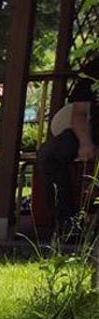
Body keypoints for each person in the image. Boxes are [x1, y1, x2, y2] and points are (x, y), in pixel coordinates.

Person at [37, 57, 98, 235]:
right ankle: (69, 224)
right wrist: (85, 141)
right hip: (92, 132)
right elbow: (79, 112)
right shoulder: (94, 68)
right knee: (49, 155)